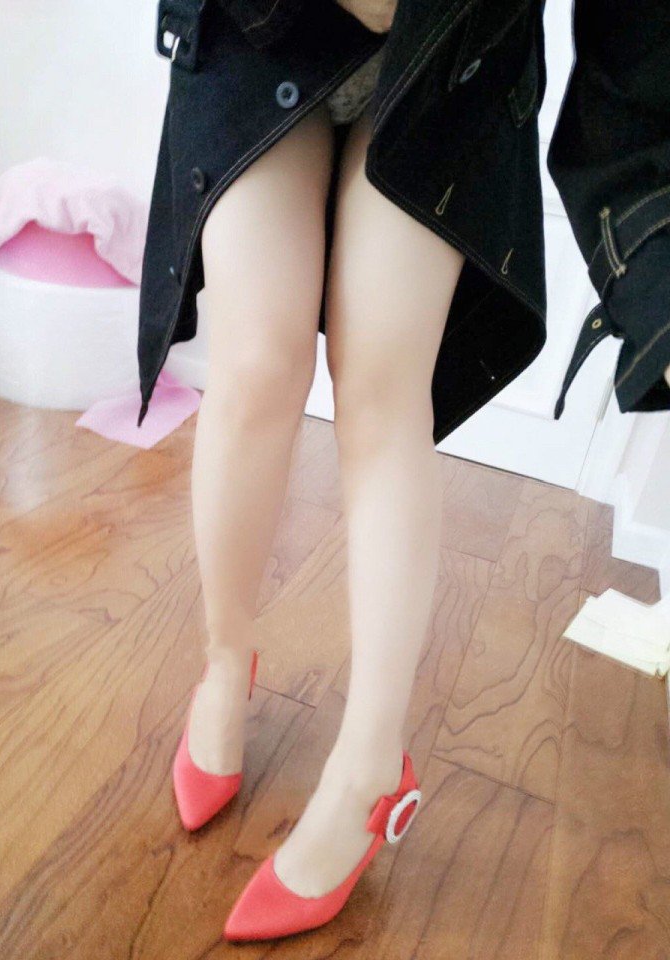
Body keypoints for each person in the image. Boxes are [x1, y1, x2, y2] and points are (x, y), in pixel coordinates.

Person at [136, 0, 670, 941]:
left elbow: (638, 59)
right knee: (255, 363)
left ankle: (371, 767)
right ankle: (224, 664)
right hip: (263, 26)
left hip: (450, 60)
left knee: (383, 392)